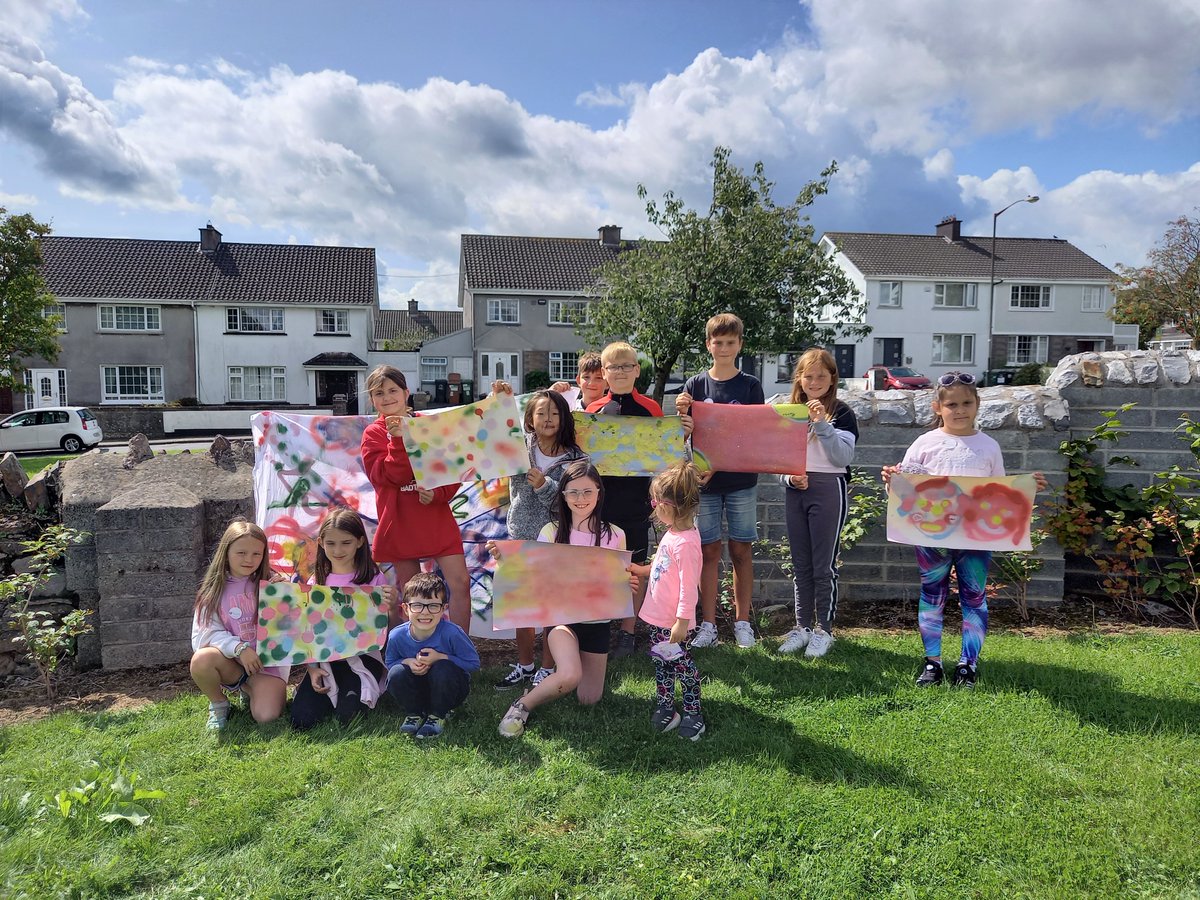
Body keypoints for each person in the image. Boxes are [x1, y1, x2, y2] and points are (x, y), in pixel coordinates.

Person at [882, 372, 1048, 688]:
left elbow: (998, 492)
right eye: (952, 404)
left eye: (967, 403)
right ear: (937, 407)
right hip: (931, 537)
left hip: (975, 537)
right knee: (933, 595)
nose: (960, 410)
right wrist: (892, 480)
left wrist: (1026, 487)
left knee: (974, 596)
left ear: (977, 404)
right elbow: (905, 491)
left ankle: (967, 665)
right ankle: (933, 663)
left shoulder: (988, 446)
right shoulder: (924, 443)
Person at [493, 461, 629, 737]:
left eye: (587, 492)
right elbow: (534, 576)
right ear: (563, 496)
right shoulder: (550, 532)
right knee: (569, 676)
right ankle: (521, 706)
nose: (580, 499)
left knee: (589, 699)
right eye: (573, 492)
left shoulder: (615, 534)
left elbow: (619, 583)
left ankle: (565, 673)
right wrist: (505, 561)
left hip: (598, 624)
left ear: (599, 493)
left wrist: (627, 582)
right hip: (562, 623)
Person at [675, 313, 765, 649]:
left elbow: (754, 435)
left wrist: (720, 462)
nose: (724, 347)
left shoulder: (751, 385)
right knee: (707, 551)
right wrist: (681, 424)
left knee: (741, 550)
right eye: (718, 342)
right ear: (708, 344)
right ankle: (708, 625)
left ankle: (743, 623)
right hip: (705, 484)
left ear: (740, 344)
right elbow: (684, 439)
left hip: (741, 481)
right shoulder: (694, 386)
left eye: (730, 342)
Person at [489, 385, 586, 692]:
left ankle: (547, 667)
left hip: (555, 541)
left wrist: (544, 485)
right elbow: (490, 433)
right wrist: (499, 400)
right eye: (541, 412)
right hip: (519, 536)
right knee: (521, 608)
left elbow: (574, 503)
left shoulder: (577, 459)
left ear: (564, 418)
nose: (548, 418)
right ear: (529, 418)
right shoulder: (518, 446)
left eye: (555, 413)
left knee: (550, 608)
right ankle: (524, 665)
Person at [360, 365, 472, 632]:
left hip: (436, 518)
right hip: (399, 523)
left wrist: (438, 494)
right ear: (372, 400)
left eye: (393, 390)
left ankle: (460, 651)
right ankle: (415, 651)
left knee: (460, 584)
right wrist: (398, 440)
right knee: (413, 595)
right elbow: (390, 477)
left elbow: (452, 470)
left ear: (406, 392)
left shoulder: (429, 426)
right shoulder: (373, 434)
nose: (387, 397)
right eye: (379, 393)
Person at [776, 348, 859, 659]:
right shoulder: (789, 412)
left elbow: (842, 458)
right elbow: (778, 462)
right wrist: (789, 480)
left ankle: (824, 629)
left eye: (821, 375)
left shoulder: (842, 412)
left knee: (823, 565)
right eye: (808, 375)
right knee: (801, 565)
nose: (814, 381)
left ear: (832, 378)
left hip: (828, 489)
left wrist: (822, 424)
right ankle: (802, 627)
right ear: (799, 378)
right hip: (796, 491)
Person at [585, 341, 664, 658]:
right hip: (600, 504)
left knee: (634, 569)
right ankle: (599, 628)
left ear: (636, 370)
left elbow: (662, 455)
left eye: (626, 366)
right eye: (612, 367)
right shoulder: (591, 411)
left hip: (636, 504)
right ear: (603, 373)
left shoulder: (651, 409)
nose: (619, 372)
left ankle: (628, 633)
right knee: (602, 568)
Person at [289, 507, 398, 730]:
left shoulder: (374, 579)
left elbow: (387, 630)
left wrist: (392, 606)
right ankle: (326, 693)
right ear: (321, 542)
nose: (338, 550)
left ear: (359, 542)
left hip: (362, 659)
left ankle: (356, 689)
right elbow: (306, 629)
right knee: (301, 720)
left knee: (349, 718)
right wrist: (311, 668)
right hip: (325, 659)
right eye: (331, 543)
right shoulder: (315, 582)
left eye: (346, 543)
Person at [629, 462, 706, 741]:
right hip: (658, 619)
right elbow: (662, 565)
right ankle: (666, 707)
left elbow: (689, 588)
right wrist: (642, 570)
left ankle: (693, 712)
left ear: (676, 505)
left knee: (684, 667)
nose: (653, 507)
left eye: (656, 502)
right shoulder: (672, 534)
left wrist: (682, 622)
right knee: (662, 664)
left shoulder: (686, 543)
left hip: (673, 623)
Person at [189, 520, 288, 730]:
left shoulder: (272, 585)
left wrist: (287, 598)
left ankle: (250, 690)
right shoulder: (213, 591)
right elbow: (202, 637)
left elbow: (294, 628)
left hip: (266, 668)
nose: (249, 559)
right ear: (226, 552)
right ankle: (219, 703)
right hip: (233, 664)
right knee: (201, 660)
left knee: (266, 716)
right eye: (241, 553)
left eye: (256, 554)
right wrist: (239, 648)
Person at [384, 573, 481, 738]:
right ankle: (414, 713)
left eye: (433, 606)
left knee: (442, 669)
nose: (425, 612)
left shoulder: (452, 633)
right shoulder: (396, 636)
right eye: (417, 606)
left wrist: (441, 658)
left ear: (443, 608)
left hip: (450, 690)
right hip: (417, 690)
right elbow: (390, 662)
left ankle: (438, 715)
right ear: (406, 608)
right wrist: (407, 662)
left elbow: (473, 664)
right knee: (396, 673)